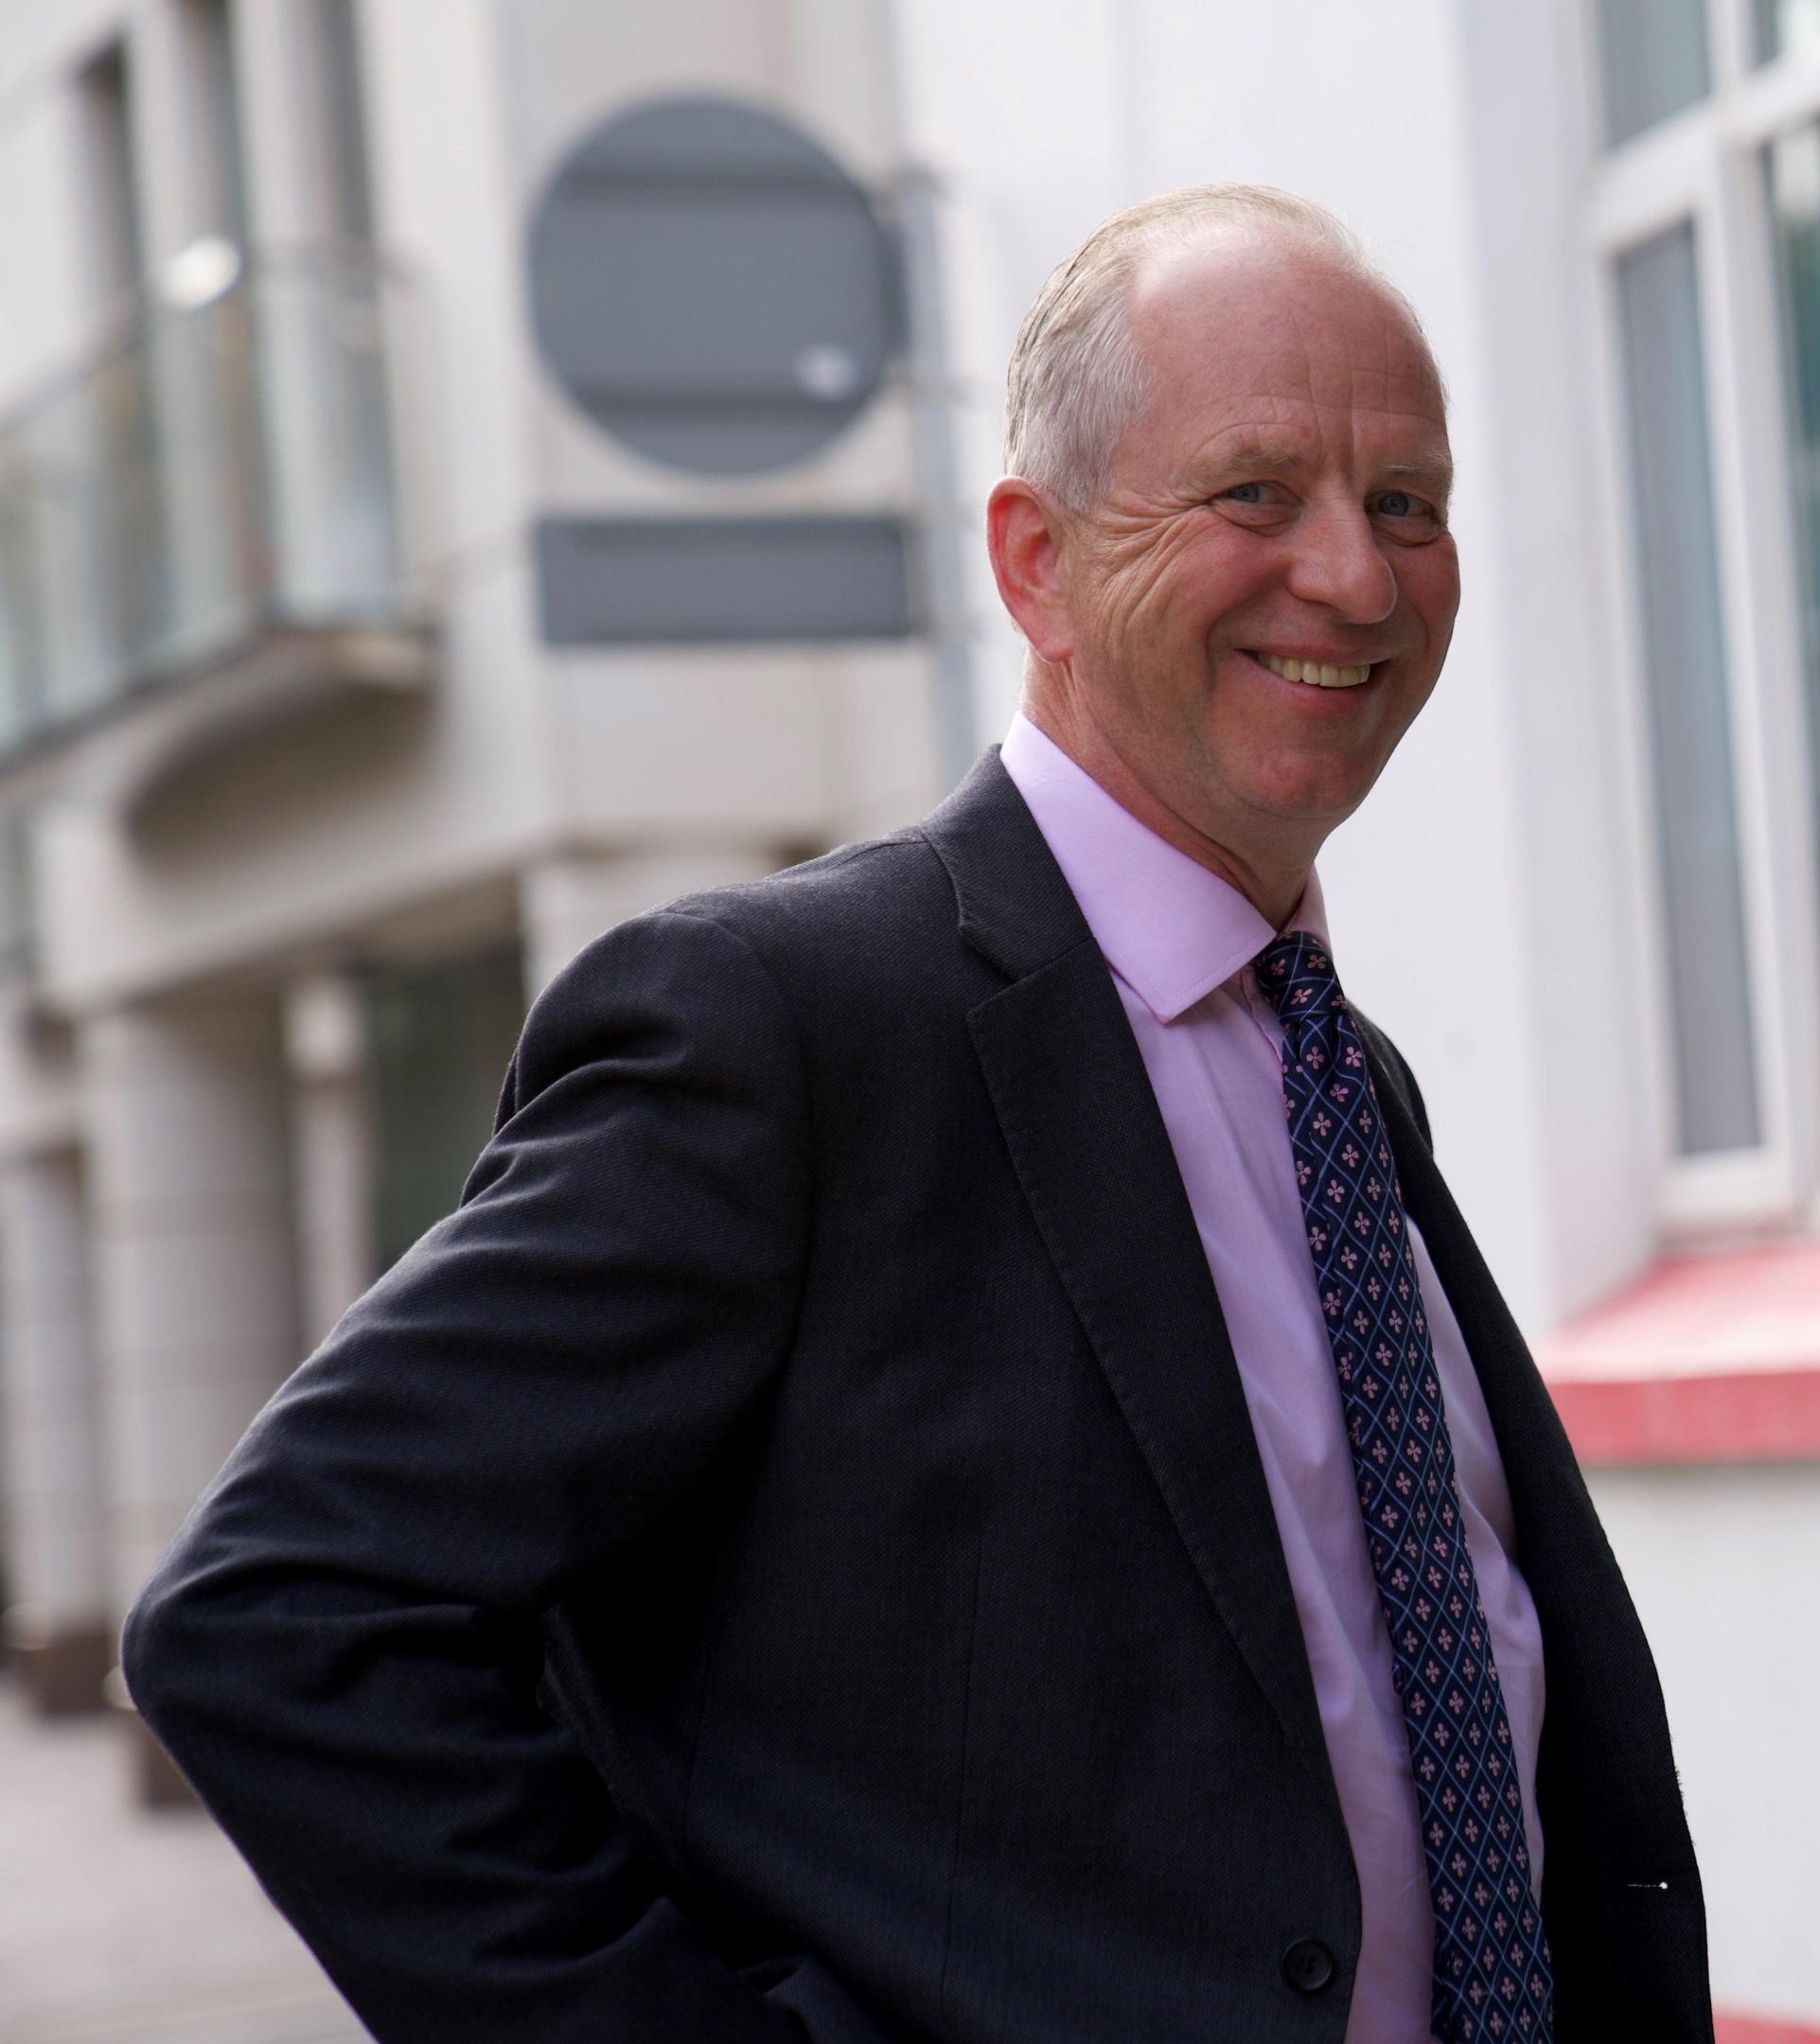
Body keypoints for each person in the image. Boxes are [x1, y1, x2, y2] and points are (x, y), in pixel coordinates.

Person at [121, 186, 1712, 2044]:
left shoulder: (1343, 1079)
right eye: (1255, 495)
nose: (1354, 578)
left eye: (1408, 504)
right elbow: (284, 1617)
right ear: (1035, 563)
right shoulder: (785, 1027)